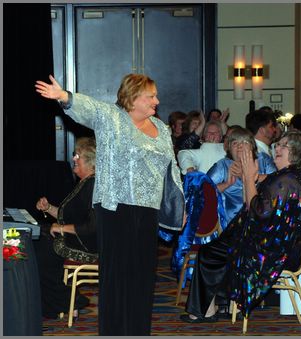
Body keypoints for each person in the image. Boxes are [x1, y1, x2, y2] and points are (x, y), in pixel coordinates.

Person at [35, 74, 184, 335]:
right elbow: (88, 109)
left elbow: (172, 171)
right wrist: (64, 97)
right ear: (133, 98)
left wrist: (178, 208)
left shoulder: (161, 129)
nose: (157, 101)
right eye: (151, 96)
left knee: (141, 279)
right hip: (115, 209)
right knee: (116, 279)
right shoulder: (111, 118)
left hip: (147, 210)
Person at [180, 130, 301, 322]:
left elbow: (258, 213)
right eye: (278, 144)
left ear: (297, 152)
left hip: (270, 253)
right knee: (215, 249)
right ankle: (211, 307)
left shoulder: (286, 180)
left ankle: (205, 310)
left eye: (285, 145)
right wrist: (247, 178)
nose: (278, 148)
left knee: (211, 253)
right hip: (273, 244)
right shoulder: (288, 176)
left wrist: (250, 177)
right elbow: (250, 205)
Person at [34, 137, 97, 320]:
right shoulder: (85, 182)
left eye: (77, 155)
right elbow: (68, 218)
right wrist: (48, 209)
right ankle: (61, 301)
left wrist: (61, 229)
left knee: (40, 252)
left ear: (90, 161)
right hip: (77, 239)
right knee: (37, 238)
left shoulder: (93, 185)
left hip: (87, 245)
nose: (74, 158)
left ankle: (69, 301)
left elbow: (92, 227)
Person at [207, 126, 276, 224]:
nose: (239, 146)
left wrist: (248, 175)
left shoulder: (263, 160)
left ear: (252, 146)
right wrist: (226, 184)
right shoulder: (223, 165)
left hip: (262, 218)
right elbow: (203, 191)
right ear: (229, 148)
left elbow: (277, 180)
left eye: (244, 142)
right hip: (232, 223)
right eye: (235, 143)